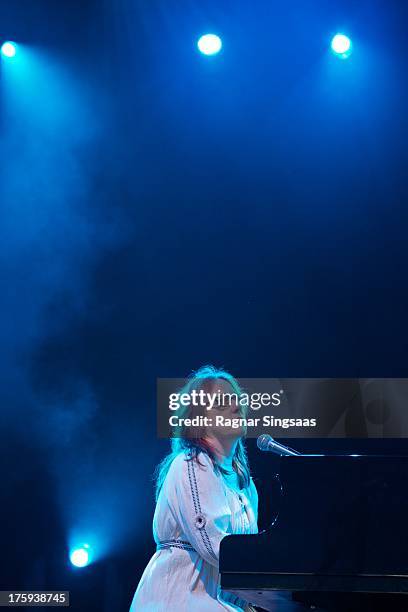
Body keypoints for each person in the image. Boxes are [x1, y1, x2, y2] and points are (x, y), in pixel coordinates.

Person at [129, 365, 259, 611]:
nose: (236, 408)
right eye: (222, 403)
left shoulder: (245, 484)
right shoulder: (191, 463)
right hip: (180, 599)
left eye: (237, 402)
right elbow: (213, 545)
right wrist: (268, 568)